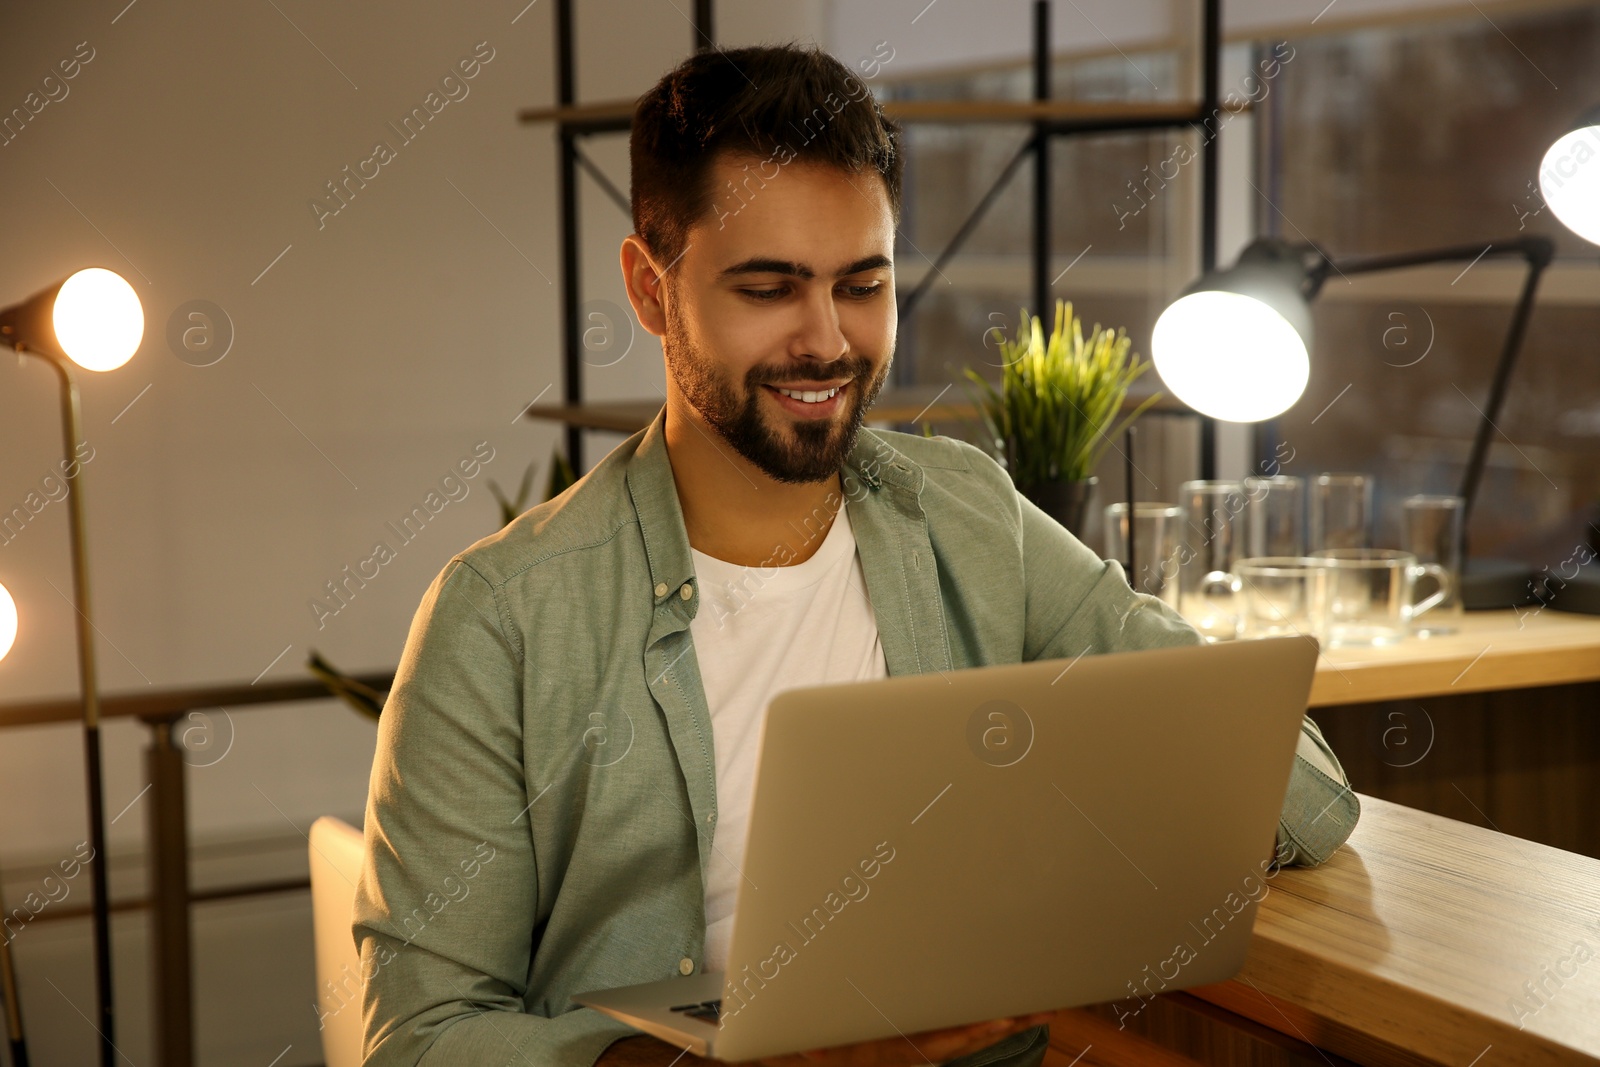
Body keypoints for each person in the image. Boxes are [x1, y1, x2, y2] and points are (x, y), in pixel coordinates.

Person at [353, 43, 1359, 1067]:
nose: (826, 341)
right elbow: (421, 1036)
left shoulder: (964, 513)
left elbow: (1300, 786)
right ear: (651, 292)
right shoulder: (503, 615)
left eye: (861, 283)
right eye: (768, 288)